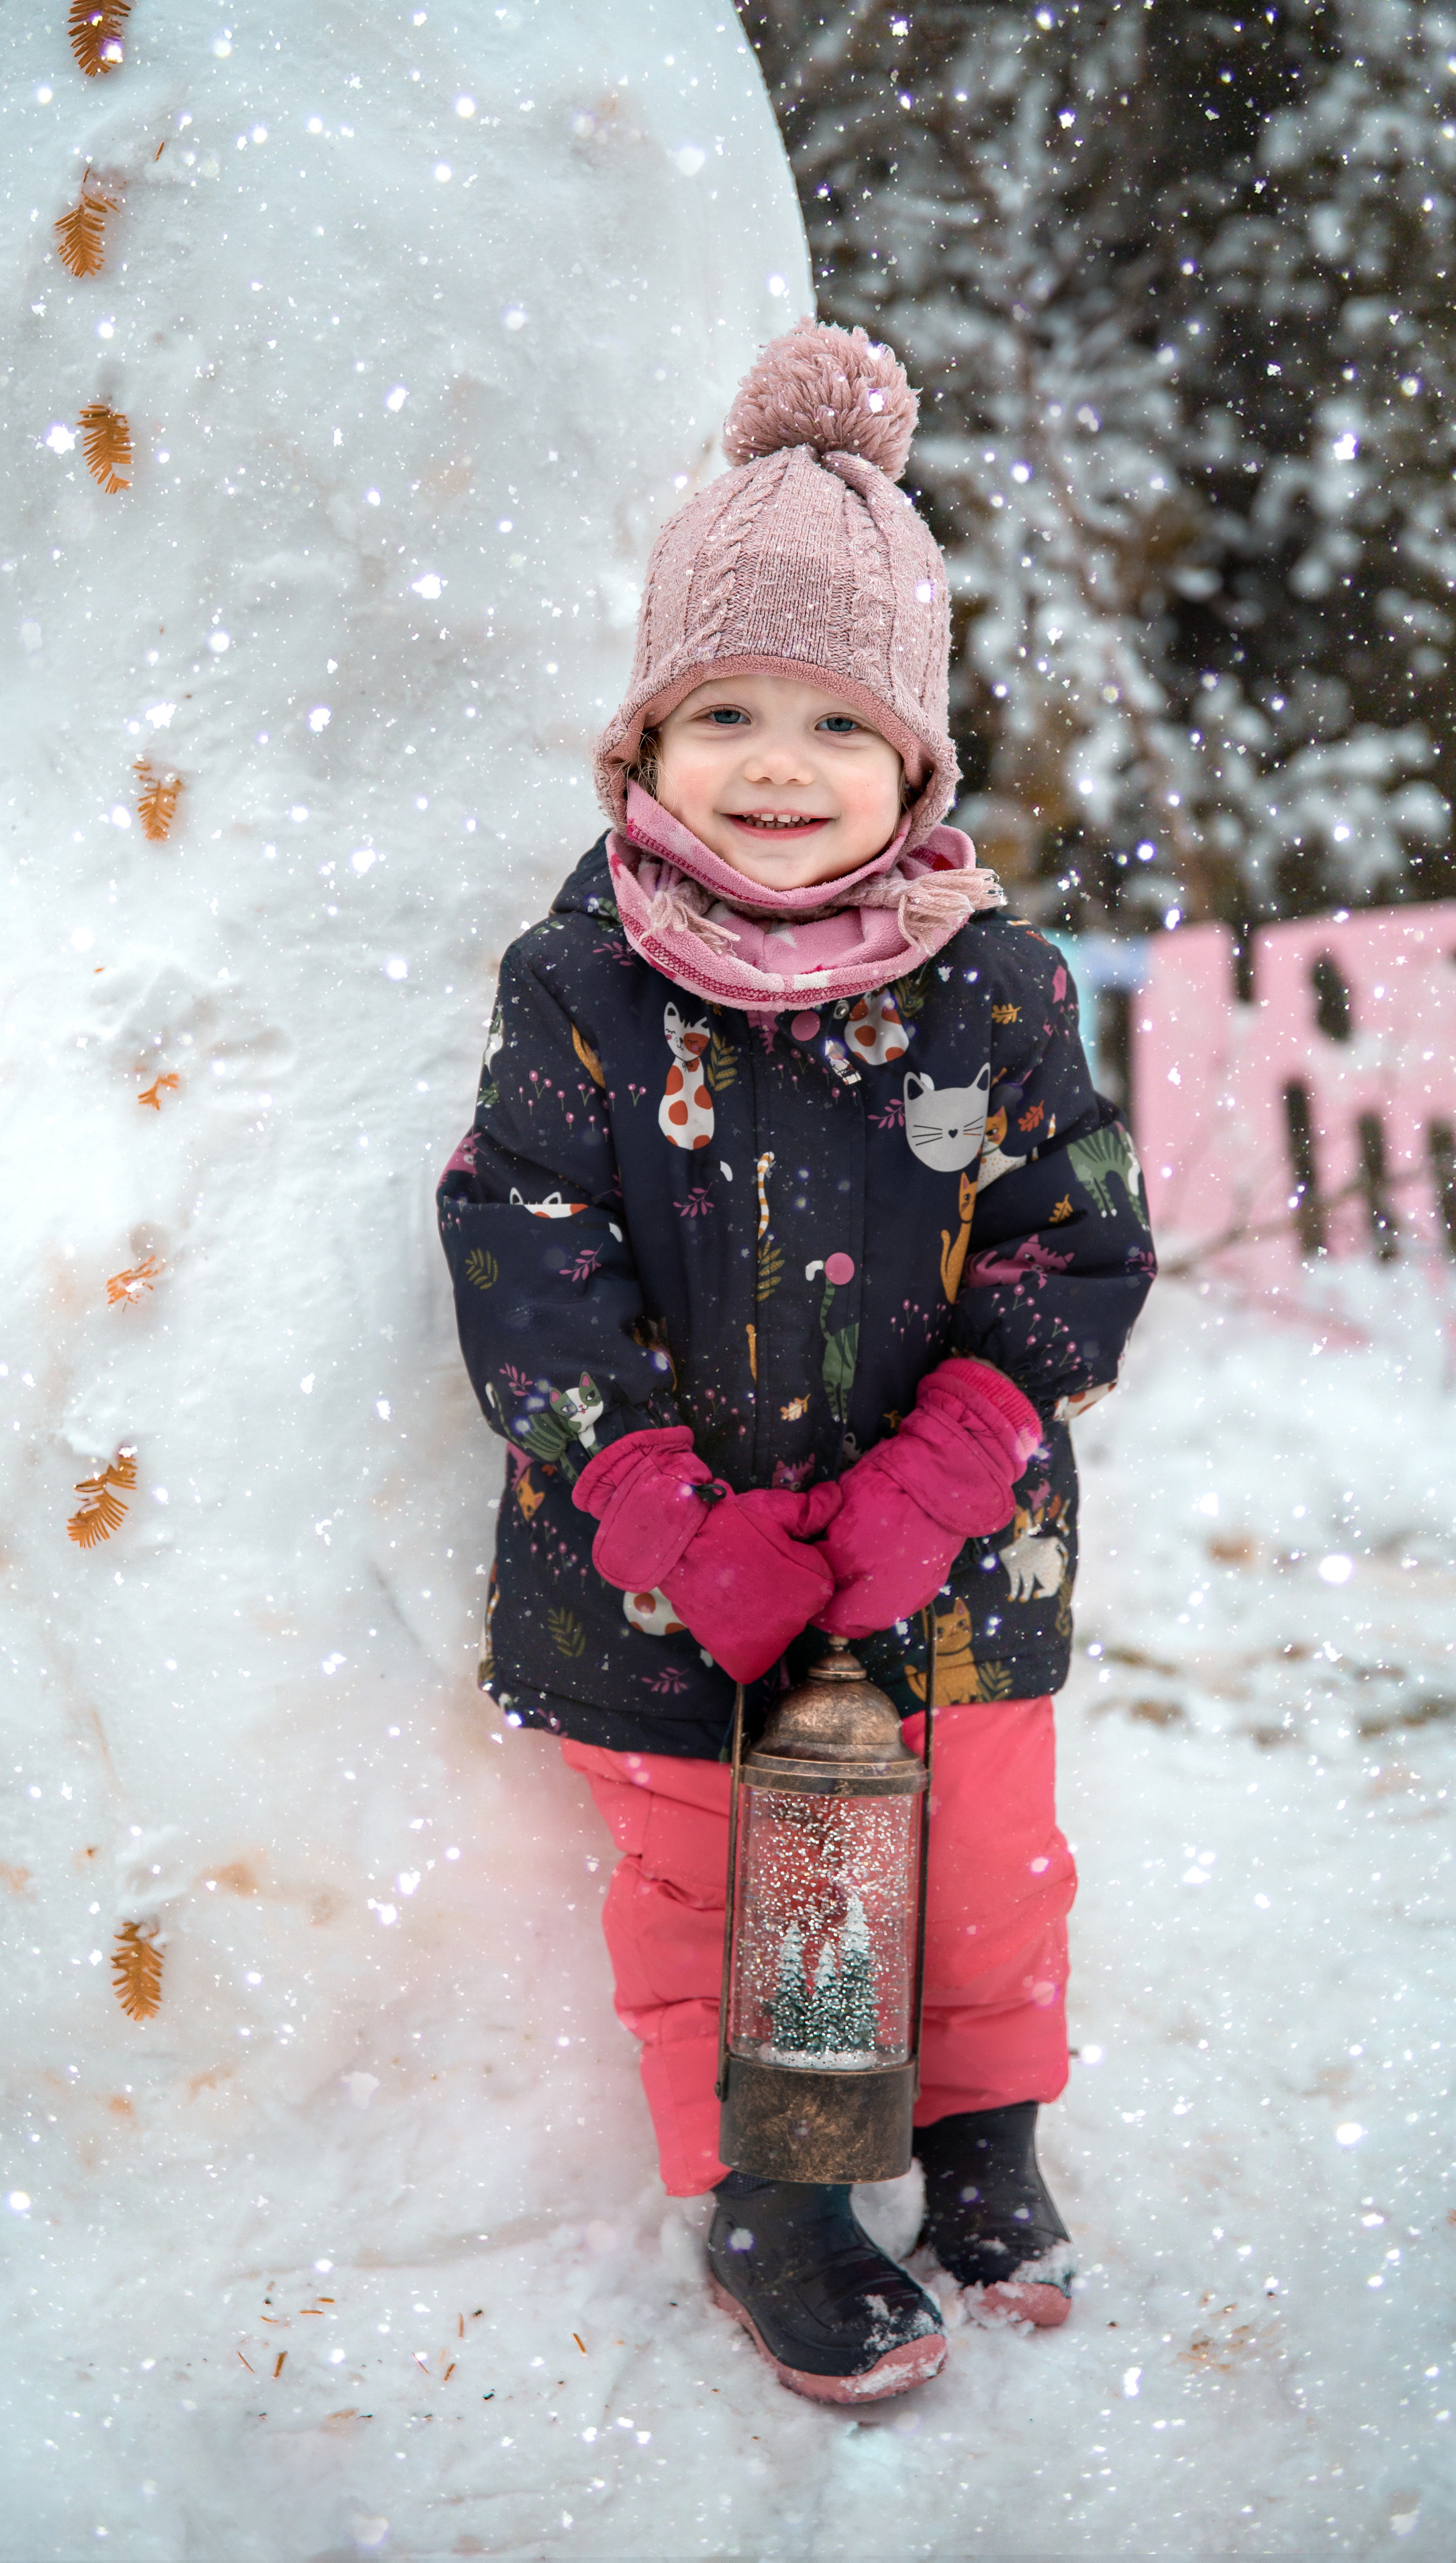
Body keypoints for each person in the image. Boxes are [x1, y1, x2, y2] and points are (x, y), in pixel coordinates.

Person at [437, 322, 1155, 2405]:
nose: (776, 762)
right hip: (670, 1580)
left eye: (836, 721)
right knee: (732, 1880)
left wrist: (945, 1477)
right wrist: (666, 1512)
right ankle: (788, 2190)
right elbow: (524, 1250)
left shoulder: (997, 990)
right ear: (640, 752)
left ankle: (982, 2130)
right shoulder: (582, 984)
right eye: (722, 711)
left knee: (987, 1868)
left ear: (917, 762)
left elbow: (1076, 1245)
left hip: (955, 1565)